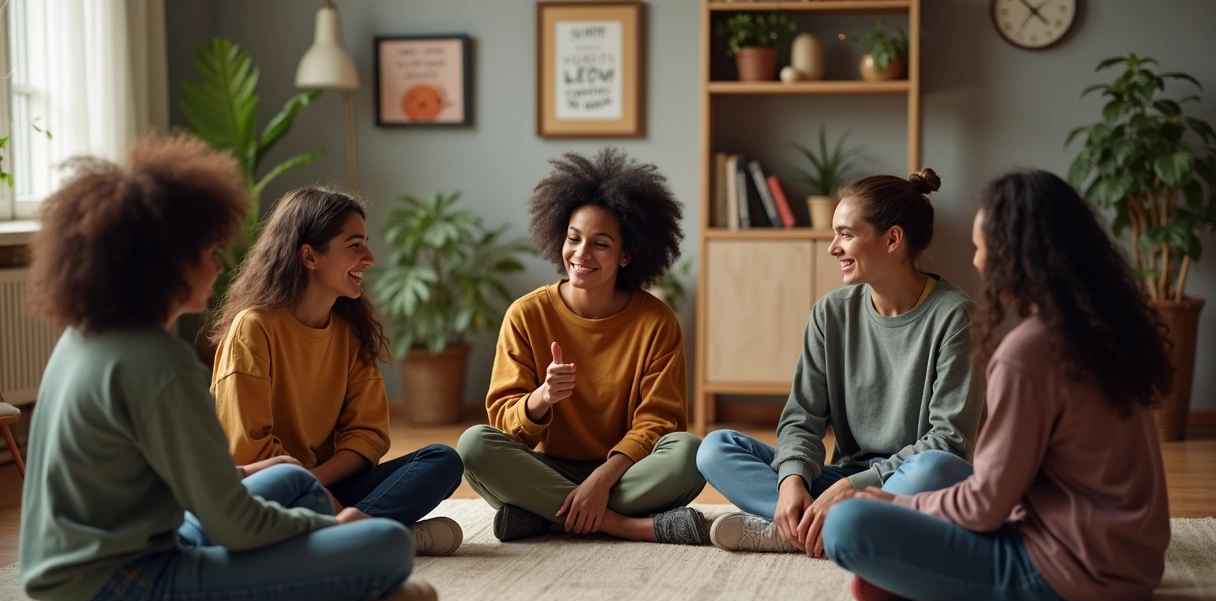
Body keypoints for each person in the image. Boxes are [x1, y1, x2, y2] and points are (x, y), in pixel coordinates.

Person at [19, 135, 437, 601]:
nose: (220, 266)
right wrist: (332, 529)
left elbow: (154, 473)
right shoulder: (160, 361)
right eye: (209, 251)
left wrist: (249, 471)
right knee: (386, 544)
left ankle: (324, 583)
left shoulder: (87, 336)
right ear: (166, 263)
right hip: (125, 594)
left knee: (293, 481)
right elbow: (232, 525)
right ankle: (338, 585)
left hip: (111, 569)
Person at [823, 169, 1173, 601]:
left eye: (981, 247)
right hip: (1132, 566)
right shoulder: (1103, 331)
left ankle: (911, 573)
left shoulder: (1028, 352)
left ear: (1015, 254)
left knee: (849, 524)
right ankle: (910, 571)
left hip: (1074, 575)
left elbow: (986, 507)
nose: (978, 262)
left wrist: (896, 503)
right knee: (940, 466)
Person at [697, 169, 986, 555]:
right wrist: (792, 480)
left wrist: (854, 488)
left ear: (893, 240)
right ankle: (823, 525)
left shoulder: (956, 317)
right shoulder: (830, 313)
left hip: (902, 483)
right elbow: (802, 417)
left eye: (846, 234)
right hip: (838, 479)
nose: (833, 247)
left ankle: (798, 530)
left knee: (935, 470)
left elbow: (948, 441)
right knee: (715, 449)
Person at [456, 148, 707, 545]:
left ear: (626, 255)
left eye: (600, 244)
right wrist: (541, 399)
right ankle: (624, 525)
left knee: (689, 454)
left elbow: (661, 423)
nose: (581, 254)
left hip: (623, 472)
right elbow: (503, 423)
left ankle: (546, 519)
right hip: (544, 467)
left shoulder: (656, 322)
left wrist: (600, 481)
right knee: (473, 445)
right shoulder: (526, 314)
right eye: (573, 239)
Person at [209, 187, 465, 555]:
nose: (370, 258)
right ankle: (372, 534)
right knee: (274, 496)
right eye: (355, 245)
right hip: (266, 489)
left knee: (443, 460)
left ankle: (339, 535)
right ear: (310, 256)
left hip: (323, 484)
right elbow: (247, 449)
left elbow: (369, 434)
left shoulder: (349, 333)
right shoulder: (254, 328)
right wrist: (302, 488)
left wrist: (316, 487)